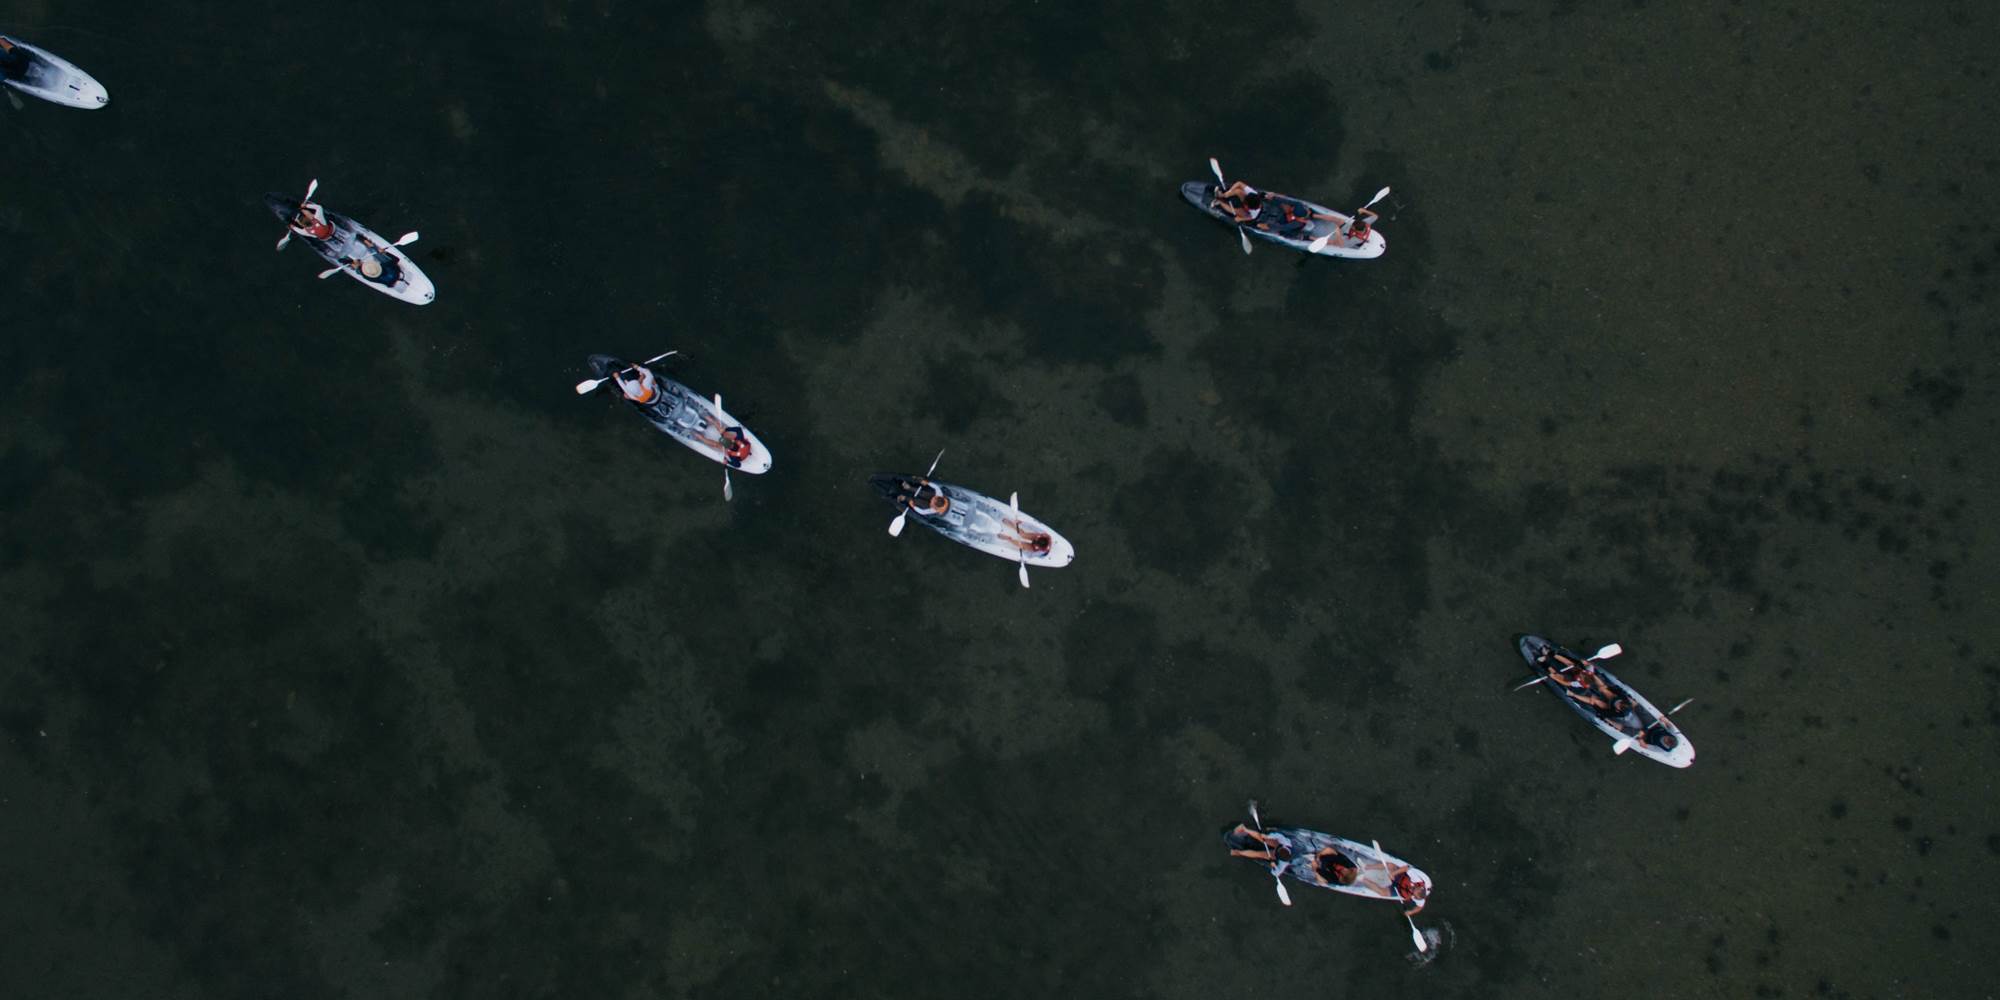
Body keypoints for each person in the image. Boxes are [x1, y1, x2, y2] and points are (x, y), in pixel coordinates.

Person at [1227, 824, 1292, 869]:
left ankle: (1238, 852)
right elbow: (1278, 836)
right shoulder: (1285, 842)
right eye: (1277, 849)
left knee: (1260, 854)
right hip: (1278, 844)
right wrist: (1267, 836)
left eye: (1276, 852)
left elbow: (1276, 873)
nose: (1274, 850)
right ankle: (1245, 829)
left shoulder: (1282, 865)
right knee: (1264, 839)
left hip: (1279, 851)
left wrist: (1274, 866)